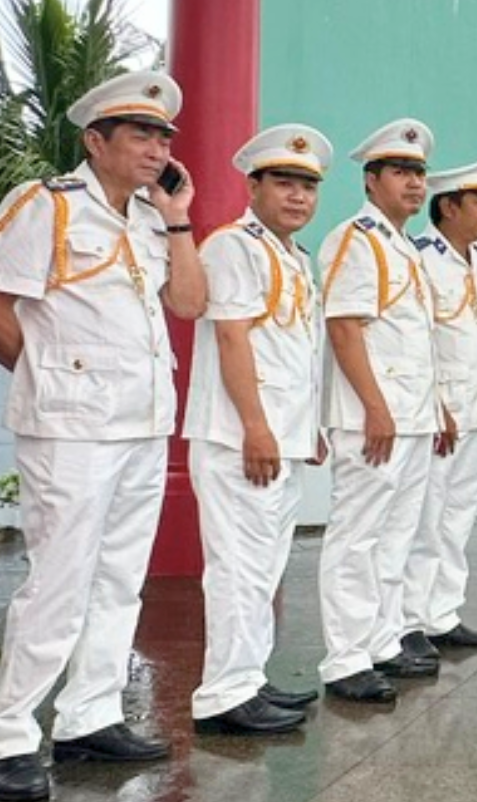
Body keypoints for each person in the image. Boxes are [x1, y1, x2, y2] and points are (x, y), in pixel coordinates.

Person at [0, 72, 207, 802]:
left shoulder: (150, 219)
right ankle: (10, 735)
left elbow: (189, 303)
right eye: (141, 134)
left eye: (163, 137)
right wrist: (49, 384)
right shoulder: (46, 204)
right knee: (59, 581)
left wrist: (178, 218)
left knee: (119, 579)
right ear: (95, 141)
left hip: (142, 423)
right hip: (71, 431)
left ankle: (90, 716)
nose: (157, 148)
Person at [184, 125, 332, 737]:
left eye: (307, 186)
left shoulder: (294, 257)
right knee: (239, 568)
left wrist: (308, 428)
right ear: (254, 187)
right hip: (240, 438)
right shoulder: (232, 247)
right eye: (284, 183)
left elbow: (296, 354)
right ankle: (224, 694)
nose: (298, 196)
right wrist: (256, 427)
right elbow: (232, 340)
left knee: (265, 565)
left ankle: (247, 677)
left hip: (281, 437)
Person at [315, 118, 443, 703]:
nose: (414, 182)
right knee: (358, 536)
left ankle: (382, 640)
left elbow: (411, 340)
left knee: (397, 535)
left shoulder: (403, 246)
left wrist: (430, 408)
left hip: (411, 416)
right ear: (371, 180)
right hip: (375, 418)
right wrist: (374, 407)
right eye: (400, 171)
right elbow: (345, 328)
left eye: (419, 172)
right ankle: (345, 658)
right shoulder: (356, 239)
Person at [398, 158, 477, 655]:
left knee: (458, 517)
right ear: (448, 206)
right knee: (425, 519)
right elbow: (419, 340)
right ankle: (409, 620)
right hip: (442, 411)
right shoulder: (420, 257)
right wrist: (436, 404)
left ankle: (442, 614)